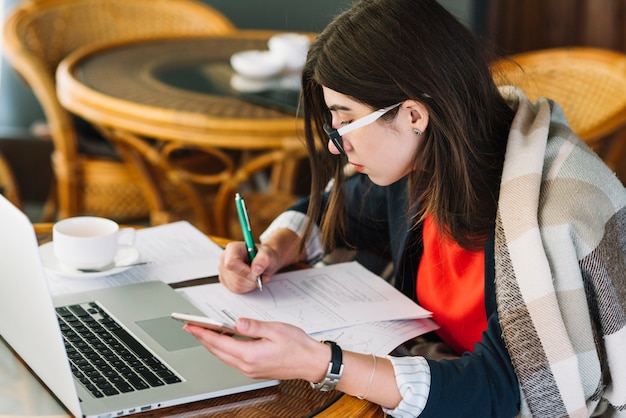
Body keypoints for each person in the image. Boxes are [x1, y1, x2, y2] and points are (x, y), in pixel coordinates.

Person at [183, 0, 626, 416]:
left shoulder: (543, 221)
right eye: (331, 123)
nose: (338, 146)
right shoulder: (432, 161)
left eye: (345, 119)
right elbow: (342, 213)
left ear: (414, 115)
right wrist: (274, 247)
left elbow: (506, 392)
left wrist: (322, 363)